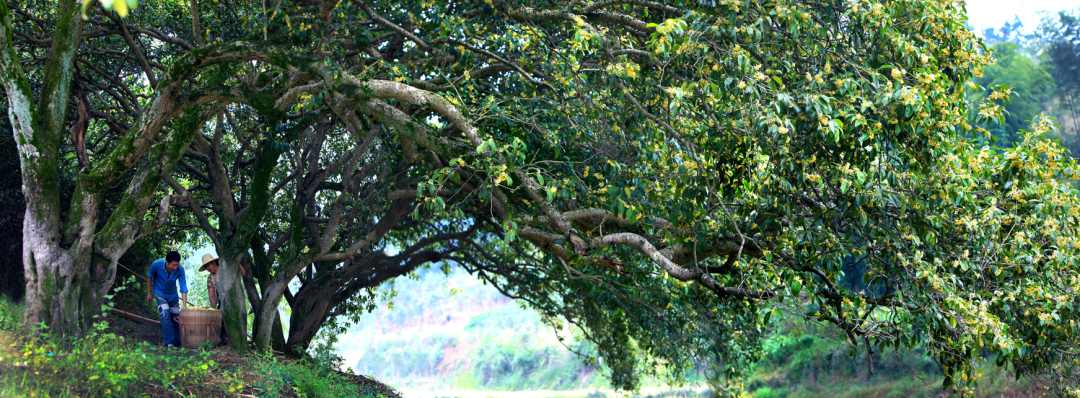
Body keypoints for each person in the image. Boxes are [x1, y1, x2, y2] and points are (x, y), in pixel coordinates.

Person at [198, 253, 244, 346]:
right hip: (221, 303)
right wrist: (215, 311)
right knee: (222, 325)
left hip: (234, 301)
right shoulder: (210, 278)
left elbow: (242, 274)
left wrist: (237, 262)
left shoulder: (225, 271)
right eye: (205, 266)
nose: (207, 268)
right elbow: (211, 296)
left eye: (208, 265)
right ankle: (224, 344)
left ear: (214, 262)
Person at [146, 251, 187, 347]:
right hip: (159, 292)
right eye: (173, 265)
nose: (175, 267)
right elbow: (149, 276)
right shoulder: (157, 264)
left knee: (176, 316)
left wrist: (184, 305)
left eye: (177, 264)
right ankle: (169, 342)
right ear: (167, 262)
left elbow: (183, 287)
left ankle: (178, 342)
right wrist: (149, 293)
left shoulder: (180, 270)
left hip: (173, 295)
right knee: (165, 314)